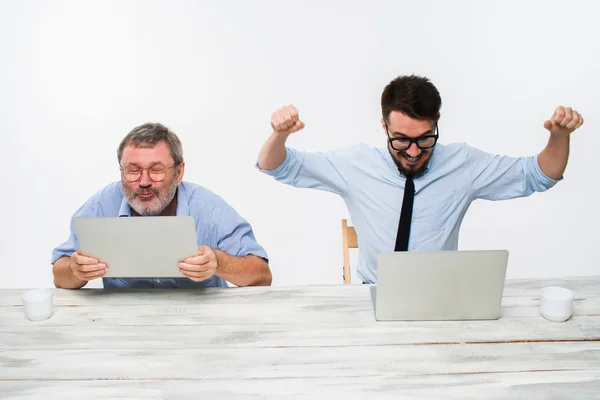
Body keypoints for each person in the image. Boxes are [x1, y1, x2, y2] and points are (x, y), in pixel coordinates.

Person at [256, 74, 584, 284]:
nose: (413, 151)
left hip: (440, 296)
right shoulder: (355, 164)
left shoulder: (463, 164)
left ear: (436, 124)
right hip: (372, 296)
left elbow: (540, 175)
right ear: (383, 127)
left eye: (425, 138)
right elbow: (275, 166)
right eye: (401, 139)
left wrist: (560, 136)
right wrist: (278, 135)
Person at [52, 122, 272, 289]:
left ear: (178, 172)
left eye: (156, 170)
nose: (144, 181)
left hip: (199, 329)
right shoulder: (102, 204)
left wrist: (219, 263)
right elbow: (59, 275)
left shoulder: (209, 209)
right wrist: (75, 270)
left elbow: (262, 275)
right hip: (123, 329)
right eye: (133, 170)